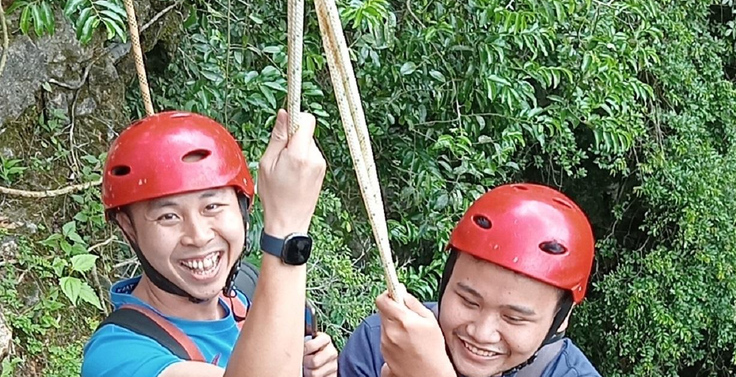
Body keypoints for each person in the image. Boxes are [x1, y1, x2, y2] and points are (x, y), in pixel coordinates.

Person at [82, 109, 338, 377]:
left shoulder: (248, 291)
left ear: (242, 210)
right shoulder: (115, 357)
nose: (198, 236)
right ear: (128, 229)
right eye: (168, 216)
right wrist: (288, 234)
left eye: (212, 206)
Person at [339, 183, 601, 377]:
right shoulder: (385, 342)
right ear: (446, 283)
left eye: (513, 318)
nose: (481, 333)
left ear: (561, 318)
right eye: (468, 301)